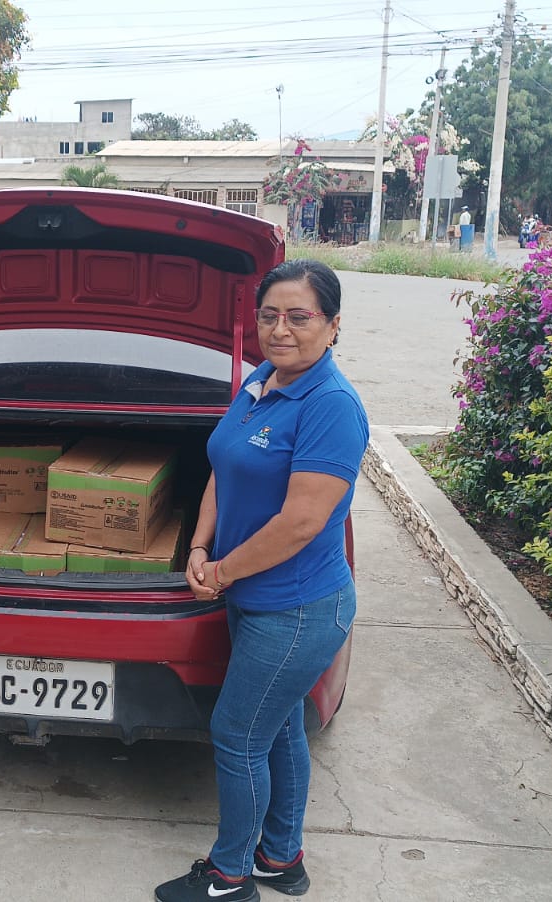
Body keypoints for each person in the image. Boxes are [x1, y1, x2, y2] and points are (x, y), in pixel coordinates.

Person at [155, 259, 369, 902]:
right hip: (252, 595)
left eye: (299, 317)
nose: (281, 329)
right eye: (270, 315)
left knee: (237, 733)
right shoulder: (261, 380)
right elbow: (223, 467)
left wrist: (220, 571)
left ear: (333, 325)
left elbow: (300, 524)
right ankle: (280, 859)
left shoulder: (331, 406)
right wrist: (199, 544)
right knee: (277, 729)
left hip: (298, 608)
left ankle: (229, 877)